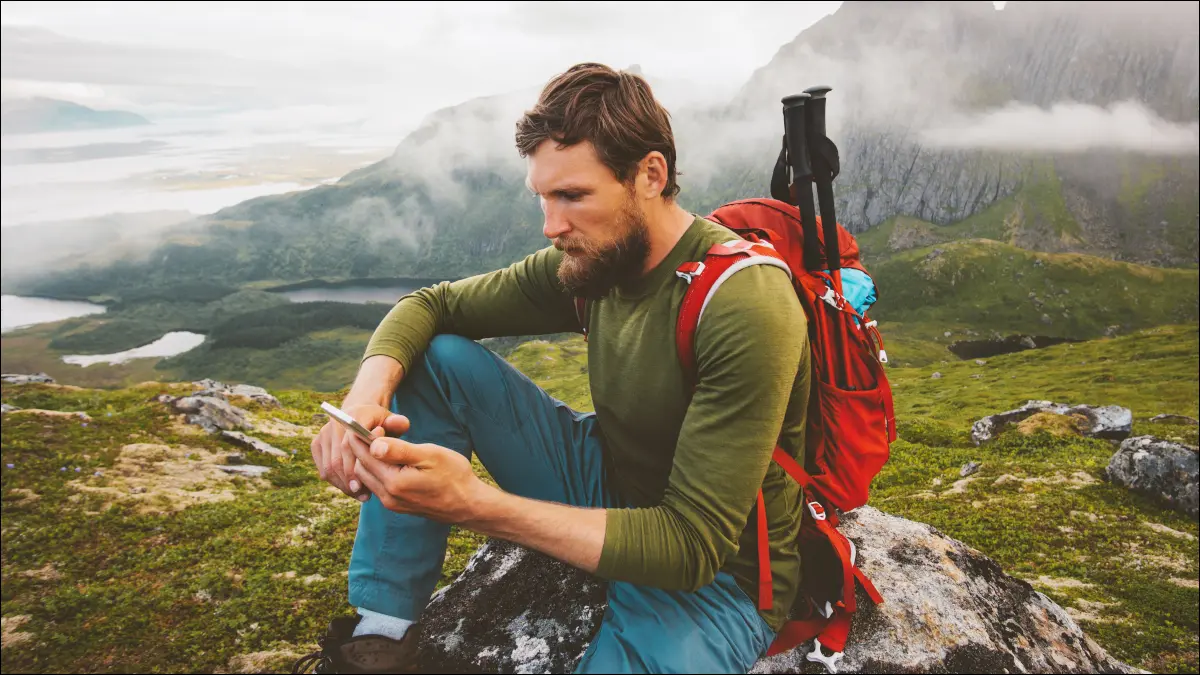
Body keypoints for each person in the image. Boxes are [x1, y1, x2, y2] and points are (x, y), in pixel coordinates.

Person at [295, 62, 811, 674]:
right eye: (543, 197)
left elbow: (691, 546)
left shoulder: (744, 303)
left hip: (718, 573)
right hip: (607, 482)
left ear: (650, 174)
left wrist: (472, 504)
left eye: (573, 196)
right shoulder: (596, 264)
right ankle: (383, 630)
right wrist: (363, 402)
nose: (552, 226)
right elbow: (428, 305)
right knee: (435, 360)